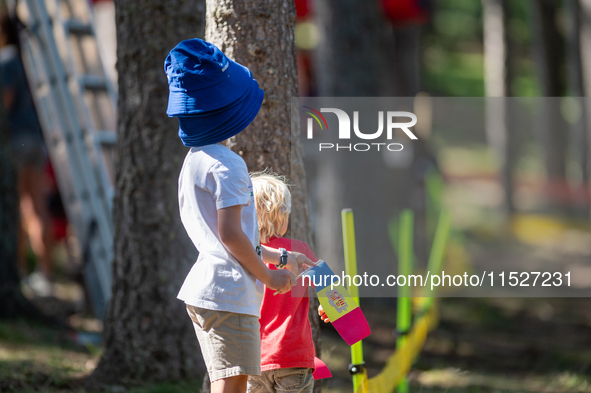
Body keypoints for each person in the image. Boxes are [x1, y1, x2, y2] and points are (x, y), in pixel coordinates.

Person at [165, 39, 315, 393]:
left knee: (228, 382)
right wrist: (270, 277)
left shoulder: (194, 161)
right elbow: (232, 235)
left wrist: (281, 256)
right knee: (231, 388)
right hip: (229, 294)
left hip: (209, 288)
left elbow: (227, 240)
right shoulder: (229, 165)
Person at [247, 172, 320, 393]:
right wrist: (328, 304)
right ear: (282, 216)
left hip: (254, 357)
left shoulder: (246, 255)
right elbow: (328, 284)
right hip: (294, 355)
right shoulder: (299, 250)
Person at [0, 11, 53, 291]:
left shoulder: (6, 60)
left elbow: (6, 102)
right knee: (38, 208)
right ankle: (45, 272)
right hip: (36, 138)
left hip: (17, 141)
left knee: (21, 208)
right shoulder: (29, 62)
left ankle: (19, 270)